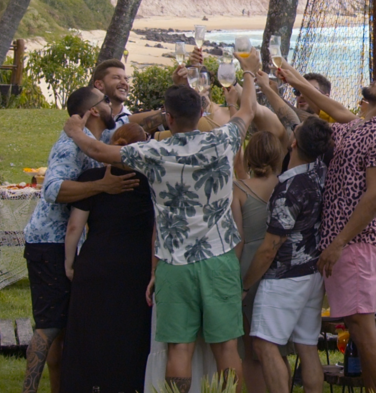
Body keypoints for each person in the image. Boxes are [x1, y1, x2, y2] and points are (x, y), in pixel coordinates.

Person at [62, 50, 261, 393]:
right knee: (227, 347)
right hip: (219, 259)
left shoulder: (153, 152)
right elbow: (247, 110)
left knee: (179, 348)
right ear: (201, 113)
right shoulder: (223, 139)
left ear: (168, 118)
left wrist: (76, 131)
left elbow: (99, 152)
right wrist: (249, 74)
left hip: (173, 262)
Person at [278, 63, 376, 393]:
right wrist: (292, 78)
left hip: (357, 246)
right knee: (359, 329)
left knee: (363, 328)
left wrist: (338, 243)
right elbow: (328, 105)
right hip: (348, 246)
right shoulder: (362, 125)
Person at [21, 87, 140, 393]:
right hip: (49, 242)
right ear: (95, 111)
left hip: (69, 243)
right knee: (50, 325)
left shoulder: (96, 141)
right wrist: (102, 186)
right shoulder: (70, 146)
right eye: (107, 101)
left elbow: (133, 127)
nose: (113, 105)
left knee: (64, 326)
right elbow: (53, 189)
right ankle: (28, 389)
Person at [60, 123, 155, 393]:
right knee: (128, 331)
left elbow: (74, 227)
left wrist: (69, 262)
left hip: (96, 261)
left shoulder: (92, 176)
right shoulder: (148, 180)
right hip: (135, 265)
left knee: (89, 331)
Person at [242, 118, 332, 393]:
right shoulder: (319, 171)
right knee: (307, 347)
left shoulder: (288, 189)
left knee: (264, 344)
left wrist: (245, 286)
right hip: (312, 271)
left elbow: (271, 247)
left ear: (293, 142)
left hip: (285, 275)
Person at [232, 131, 285, 393]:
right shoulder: (286, 185)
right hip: (279, 265)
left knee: (251, 349)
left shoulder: (239, 189)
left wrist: (234, 279)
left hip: (248, 267)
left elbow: (238, 240)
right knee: (276, 345)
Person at [91, 59, 164, 133]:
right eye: (116, 77)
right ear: (99, 84)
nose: (124, 83)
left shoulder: (131, 118)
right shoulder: (85, 117)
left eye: (126, 79)